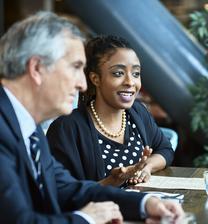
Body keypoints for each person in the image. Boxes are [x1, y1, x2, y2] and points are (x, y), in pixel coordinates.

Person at [0, 11, 184, 224]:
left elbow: (67, 189)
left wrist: (145, 204)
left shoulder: (25, 128)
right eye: (76, 67)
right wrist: (86, 219)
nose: (83, 84)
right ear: (37, 68)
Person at [46, 35, 174, 187]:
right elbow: (62, 194)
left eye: (136, 73)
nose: (130, 82)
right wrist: (112, 181)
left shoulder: (138, 112)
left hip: (142, 206)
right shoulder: (66, 129)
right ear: (95, 79)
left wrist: (147, 167)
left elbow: (165, 149)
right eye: (118, 73)